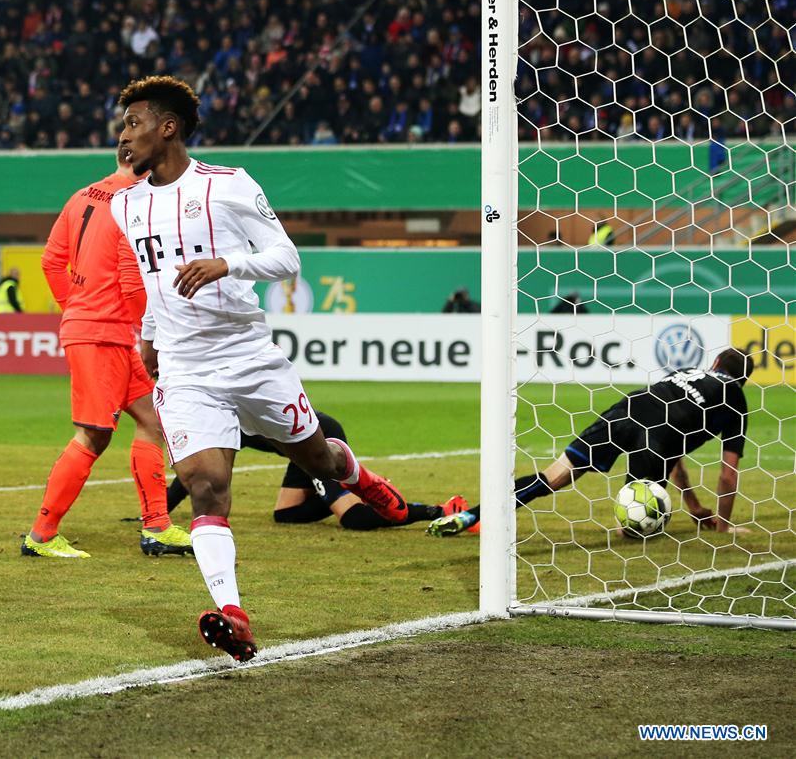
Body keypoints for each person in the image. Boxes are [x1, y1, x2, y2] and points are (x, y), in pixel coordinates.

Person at [111, 75, 409, 662]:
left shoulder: (228, 186)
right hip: (185, 367)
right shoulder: (126, 203)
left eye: (133, 123)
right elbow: (151, 281)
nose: (123, 136)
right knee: (205, 486)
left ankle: (361, 477)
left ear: (167, 127)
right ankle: (233, 613)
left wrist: (226, 265)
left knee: (318, 458)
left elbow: (285, 257)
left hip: (249, 358)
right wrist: (148, 340)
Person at [22, 145, 192, 559]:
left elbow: (50, 261)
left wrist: (77, 308)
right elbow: (133, 282)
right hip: (105, 334)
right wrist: (147, 331)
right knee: (94, 435)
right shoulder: (134, 204)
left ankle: (157, 526)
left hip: (97, 328)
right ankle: (41, 536)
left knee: (152, 417)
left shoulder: (82, 195)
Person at [428, 348, 754, 537]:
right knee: (635, 527)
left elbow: (675, 448)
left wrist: (693, 506)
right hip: (657, 437)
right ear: (744, 380)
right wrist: (723, 526)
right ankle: (628, 529)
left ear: (714, 364)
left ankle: (470, 517)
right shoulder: (736, 399)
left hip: (625, 410)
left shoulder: (687, 371)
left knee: (552, 477)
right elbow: (727, 474)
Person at [162, 410, 467, 530]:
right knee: (285, 515)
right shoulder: (221, 416)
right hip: (293, 450)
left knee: (353, 518)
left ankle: (438, 511)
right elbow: (198, 473)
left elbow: (196, 473)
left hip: (316, 443)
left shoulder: (220, 415)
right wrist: (159, 512)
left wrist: (158, 514)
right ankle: (355, 489)